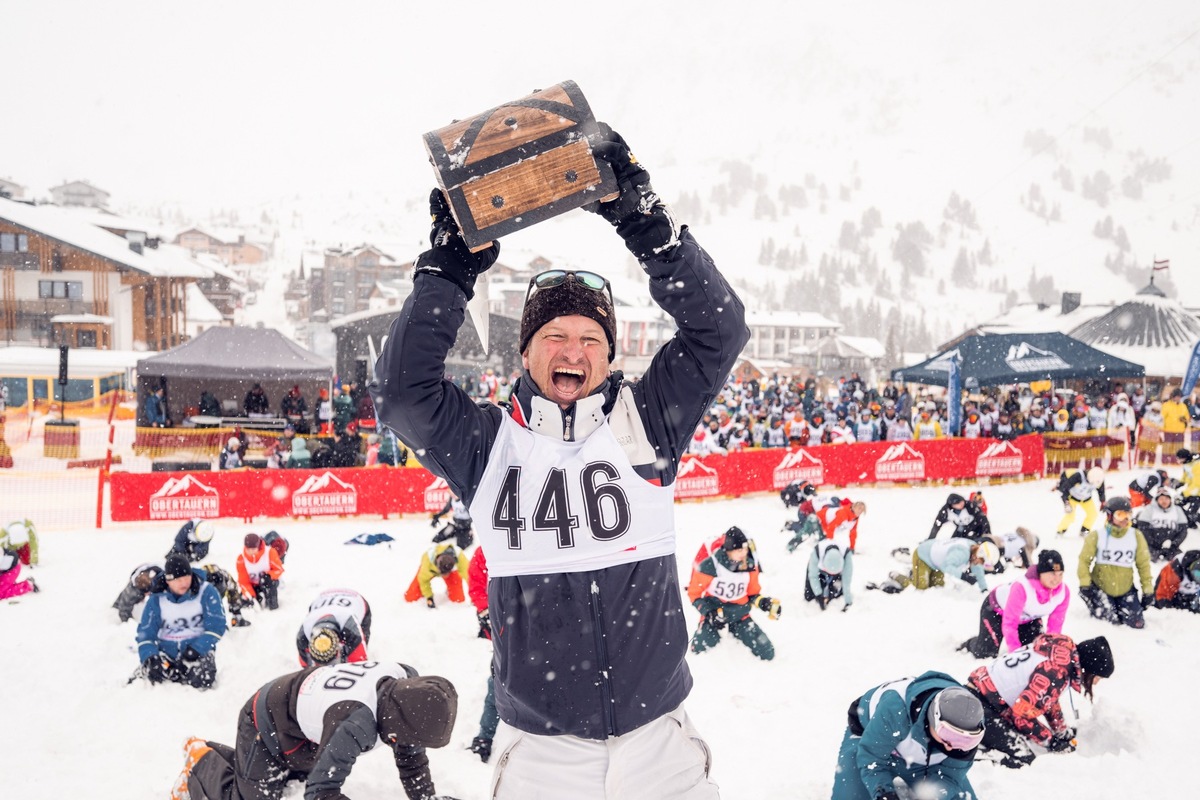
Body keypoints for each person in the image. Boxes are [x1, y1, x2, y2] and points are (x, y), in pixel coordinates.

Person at [371, 123, 745, 797]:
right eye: (554, 335)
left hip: (661, 746)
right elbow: (400, 394)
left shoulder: (646, 419)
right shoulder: (487, 446)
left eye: (587, 338)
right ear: (525, 352)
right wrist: (448, 272)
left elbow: (720, 328)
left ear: (609, 355)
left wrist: (644, 224)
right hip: (543, 759)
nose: (572, 351)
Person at [173, 661, 459, 800]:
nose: (409, 745)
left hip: (308, 721)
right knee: (253, 797)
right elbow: (320, 794)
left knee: (292, 773)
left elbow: (411, 758)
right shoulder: (356, 722)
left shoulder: (407, 686)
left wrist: (426, 798)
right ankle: (201, 763)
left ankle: (247, 765)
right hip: (268, 719)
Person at [966, 634, 1114, 769]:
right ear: (1088, 670)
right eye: (1097, 678)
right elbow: (1020, 716)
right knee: (1023, 759)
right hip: (979, 707)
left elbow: (1048, 699)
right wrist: (1050, 741)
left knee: (1024, 741)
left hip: (981, 694)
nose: (1095, 684)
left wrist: (1061, 731)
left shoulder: (1058, 656)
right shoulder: (1055, 673)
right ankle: (972, 753)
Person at [831, 674, 983, 800]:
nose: (952, 745)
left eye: (967, 740)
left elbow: (950, 774)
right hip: (868, 741)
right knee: (849, 794)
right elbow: (871, 759)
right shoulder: (895, 709)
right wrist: (884, 792)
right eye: (948, 734)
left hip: (921, 758)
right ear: (934, 718)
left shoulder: (971, 721)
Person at [686, 527, 781, 659]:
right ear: (728, 550)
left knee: (767, 652)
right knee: (698, 649)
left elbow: (752, 594)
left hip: (738, 613)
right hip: (715, 613)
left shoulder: (750, 566)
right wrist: (708, 612)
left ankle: (735, 629)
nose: (744, 553)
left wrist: (764, 603)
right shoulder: (710, 566)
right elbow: (694, 594)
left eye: (745, 549)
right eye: (739, 550)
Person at [135, 553, 226, 689]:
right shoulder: (156, 599)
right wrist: (150, 656)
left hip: (198, 651)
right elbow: (145, 633)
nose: (184, 583)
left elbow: (216, 627)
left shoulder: (206, 592)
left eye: (186, 577)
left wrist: (196, 649)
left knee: (201, 682)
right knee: (151, 679)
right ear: (168, 580)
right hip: (165, 651)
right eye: (178, 580)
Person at [960, 549, 1070, 658]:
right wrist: (1015, 653)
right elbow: (1010, 622)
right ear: (1041, 573)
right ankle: (970, 644)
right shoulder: (1022, 588)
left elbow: (1055, 624)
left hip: (1028, 619)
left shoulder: (1063, 593)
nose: (1057, 579)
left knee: (1035, 650)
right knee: (986, 652)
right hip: (996, 610)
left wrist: (1051, 648)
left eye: (1060, 574)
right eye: (1052, 574)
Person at [1078, 496, 1153, 628]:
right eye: (1120, 515)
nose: (1125, 519)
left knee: (1136, 624)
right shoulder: (1097, 536)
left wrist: (1147, 590)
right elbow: (1084, 561)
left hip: (1125, 589)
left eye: (1128, 515)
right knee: (1108, 623)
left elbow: (1143, 565)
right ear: (1109, 516)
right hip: (1101, 588)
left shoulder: (1136, 536)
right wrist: (1085, 584)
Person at [467, 546, 499, 764]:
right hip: (506, 627)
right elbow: (477, 584)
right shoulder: (485, 551)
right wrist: (485, 610)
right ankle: (485, 736)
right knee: (497, 683)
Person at [874, 539, 999, 595]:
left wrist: (984, 589)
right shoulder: (963, 552)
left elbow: (978, 571)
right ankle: (898, 576)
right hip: (923, 555)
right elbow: (947, 566)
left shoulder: (974, 551)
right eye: (981, 561)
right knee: (920, 588)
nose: (980, 564)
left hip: (936, 563)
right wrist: (964, 577)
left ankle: (914, 574)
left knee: (937, 586)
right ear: (979, 554)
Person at [296, 588, 372, 666]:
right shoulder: (303, 636)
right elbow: (306, 668)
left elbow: (360, 664)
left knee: (356, 648)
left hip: (356, 600)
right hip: (322, 598)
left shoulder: (351, 630)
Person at [816, 500, 866, 600]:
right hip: (819, 519)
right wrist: (829, 545)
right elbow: (830, 527)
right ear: (853, 507)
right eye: (859, 509)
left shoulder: (855, 517)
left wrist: (852, 547)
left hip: (826, 525)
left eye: (862, 510)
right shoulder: (843, 513)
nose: (860, 511)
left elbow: (853, 533)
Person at [403, 542, 469, 608]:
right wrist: (429, 597)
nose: (445, 576)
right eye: (443, 574)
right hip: (430, 570)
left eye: (446, 574)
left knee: (458, 600)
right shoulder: (427, 563)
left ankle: (450, 590)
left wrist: (476, 595)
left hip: (453, 572)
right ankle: (421, 593)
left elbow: (470, 577)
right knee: (410, 597)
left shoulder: (460, 557)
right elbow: (423, 580)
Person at [1133, 486, 1191, 561]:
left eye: (1167, 499)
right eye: (1161, 499)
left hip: (1171, 546)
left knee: (1181, 560)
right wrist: (1153, 543)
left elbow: (1183, 530)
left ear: (1170, 500)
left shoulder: (1177, 510)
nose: (1164, 501)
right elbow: (1142, 528)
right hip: (1152, 545)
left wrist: (1174, 544)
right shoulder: (1149, 509)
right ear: (1157, 500)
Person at [236, 533, 284, 611]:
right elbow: (243, 582)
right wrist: (251, 596)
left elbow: (279, 569)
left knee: (268, 583)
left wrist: (269, 575)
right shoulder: (241, 559)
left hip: (268, 582)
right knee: (248, 602)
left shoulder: (270, 552)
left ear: (258, 547)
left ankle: (272, 606)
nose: (251, 552)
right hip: (253, 585)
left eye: (253, 549)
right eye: (248, 549)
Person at [1055, 466, 1106, 536]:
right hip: (1072, 498)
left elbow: (1101, 491)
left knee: (1093, 514)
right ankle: (1060, 531)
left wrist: (1103, 502)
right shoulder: (1078, 476)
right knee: (1070, 516)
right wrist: (1066, 502)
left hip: (1086, 499)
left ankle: (1084, 530)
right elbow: (1064, 488)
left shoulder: (1099, 480)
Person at [806, 538, 850, 611]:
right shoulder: (817, 552)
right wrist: (818, 594)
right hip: (819, 570)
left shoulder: (846, 553)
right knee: (809, 596)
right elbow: (813, 575)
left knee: (837, 593)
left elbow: (847, 579)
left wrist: (848, 601)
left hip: (837, 572)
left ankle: (833, 591)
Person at [927, 492, 991, 542]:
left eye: (962, 501)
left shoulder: (969, 505)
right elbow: (937, 524)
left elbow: (983, 519)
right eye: (959, 503)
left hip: (977, 527)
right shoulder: (946, 511)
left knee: (976, 542)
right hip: (961, 528)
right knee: (953, 542)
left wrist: (988, 534)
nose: (962, 504)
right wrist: (930, 538)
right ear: (952, 505)